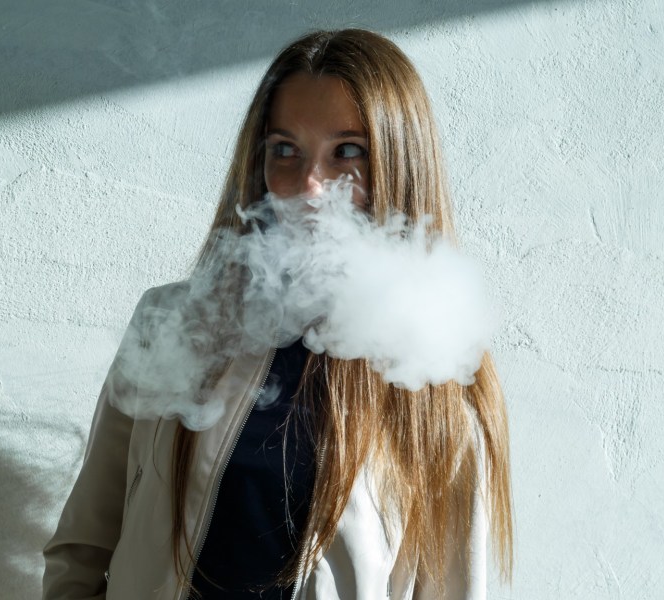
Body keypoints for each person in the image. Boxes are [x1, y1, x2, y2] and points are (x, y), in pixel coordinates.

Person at [43, 29, 513, 599]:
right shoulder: (171, 322)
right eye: (285, 149)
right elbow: (83, 546)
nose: (309, 187)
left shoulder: (436, 375)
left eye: (347, 151)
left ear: (401, 168)